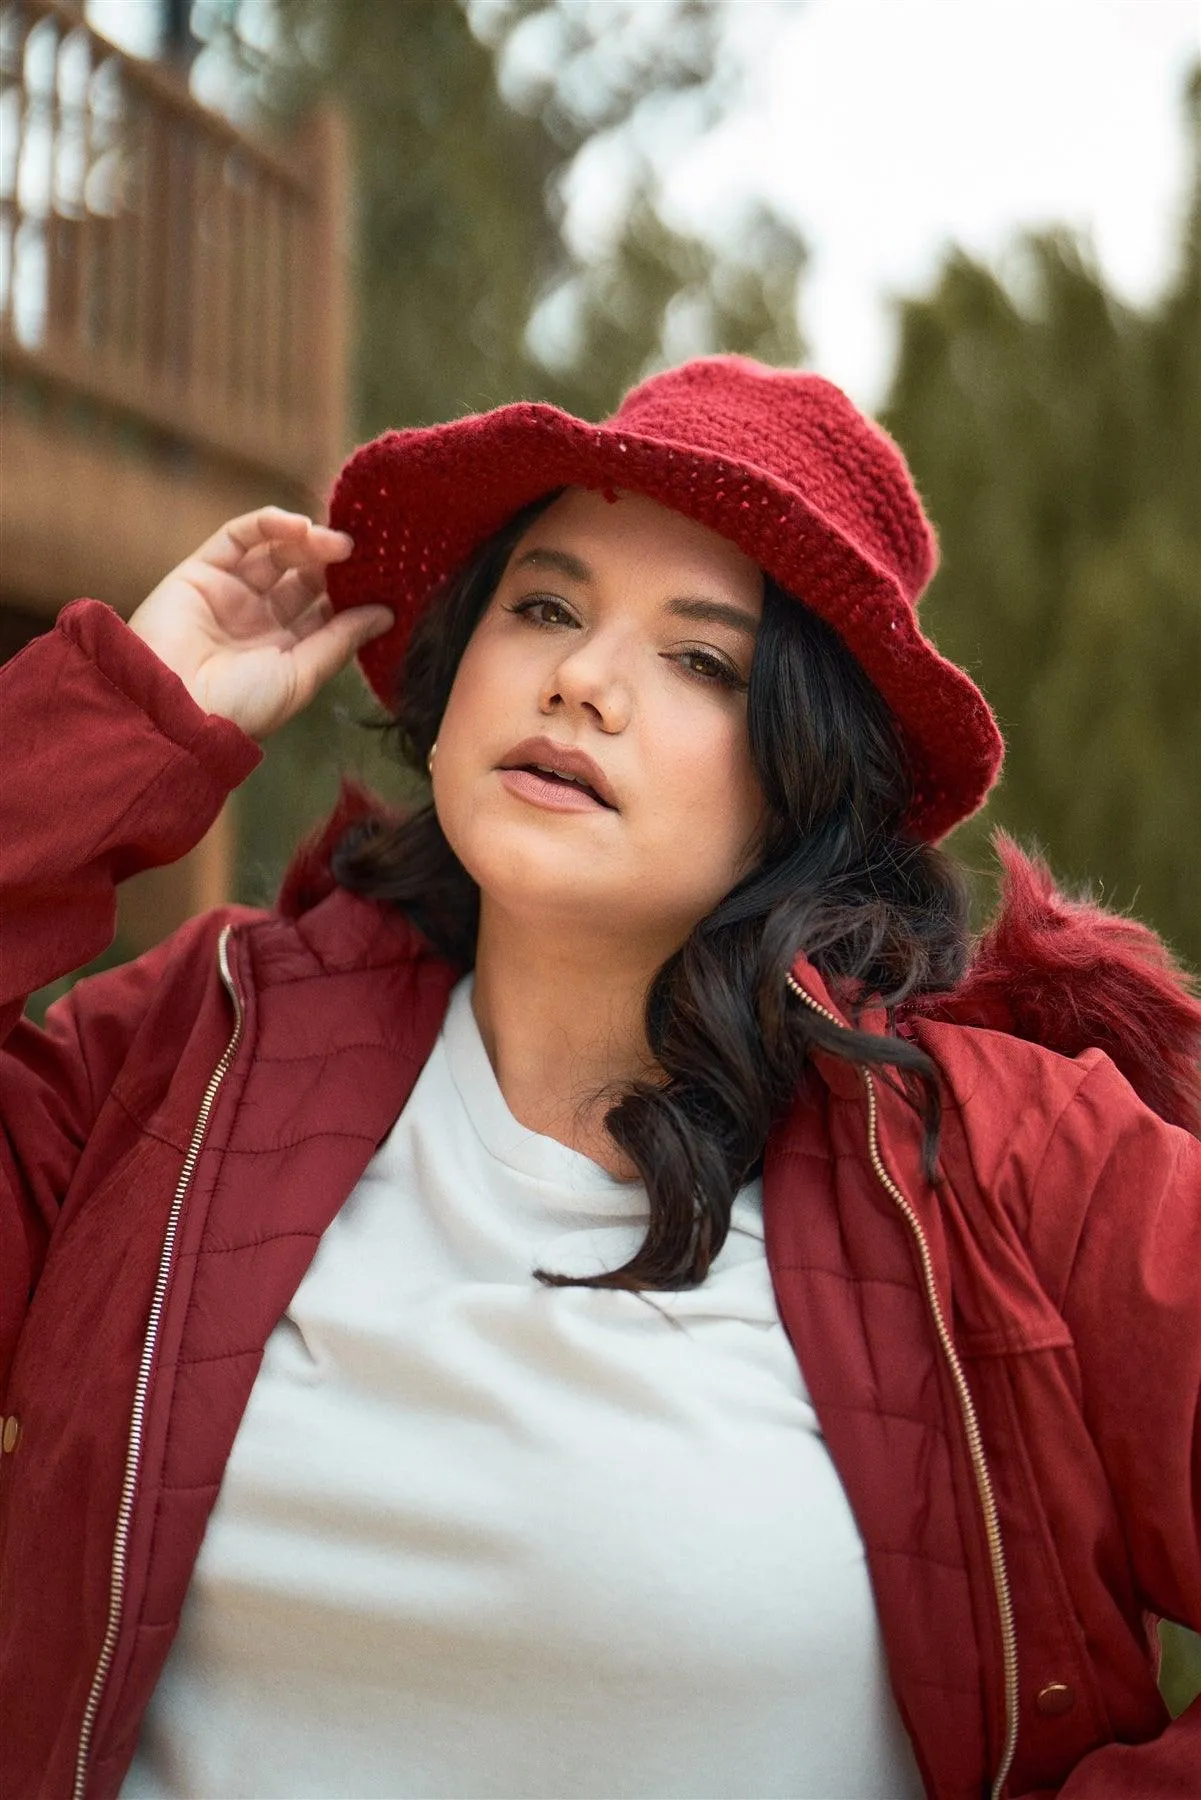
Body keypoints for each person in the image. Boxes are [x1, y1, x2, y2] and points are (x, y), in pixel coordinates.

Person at [2, 356, 1198, 1800]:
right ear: (453, 684)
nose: (582, 679)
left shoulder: (1009, 1168)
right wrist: (121, 718)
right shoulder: (194, 1051)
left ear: (800, 784)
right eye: (546, 608)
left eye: (702, 659)